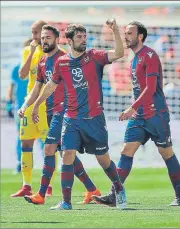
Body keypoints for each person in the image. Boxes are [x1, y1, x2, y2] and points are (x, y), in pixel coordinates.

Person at [31, 20, 126, 210]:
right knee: (67, 155)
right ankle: (66, 202)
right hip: (71, 118)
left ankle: (118, 188)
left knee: (103, 159)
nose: (84, 40)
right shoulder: (62, 62)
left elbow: (118, 53)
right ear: (69, 40)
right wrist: (36, 105)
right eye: (79, 37)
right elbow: (50, 85)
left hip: (94, 119)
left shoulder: (95, 56)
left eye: (85, 37)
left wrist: (115, 30)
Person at [93, 21, 180, 207]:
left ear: (140, 36)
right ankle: (114, 195)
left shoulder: (149, 55)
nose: (126, 35)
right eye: (125, 33)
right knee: (126, 151)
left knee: (166, 153)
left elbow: (151, 88)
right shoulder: (134, 58)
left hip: (156, 114)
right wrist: (115, 31)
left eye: (129, 33)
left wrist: (132, 108)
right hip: (140, 117)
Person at [17, 25, 101, 205]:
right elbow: (37, 88)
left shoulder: (64, 58)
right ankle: (92, 190)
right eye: (42, 38)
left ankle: (40, 194)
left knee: (49, 149)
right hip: (51, 110)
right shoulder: (41, 61)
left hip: (64, 110)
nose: (44, 40)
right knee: (65, 153)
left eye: (48, 37)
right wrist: (26, 105)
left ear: (56, 39)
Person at [10, 20, 55, 197]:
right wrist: (32, 52)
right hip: (29, 104)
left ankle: (48, 186)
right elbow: (22, 75)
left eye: (37, 32)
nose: (34, 36)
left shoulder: (55, 53)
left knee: (49, 146)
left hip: (48, 105)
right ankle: (26, 185)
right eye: (33, 32)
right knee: (26, 143)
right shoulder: (28, 51)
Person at [6, 38, 31, 174]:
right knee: (22, 136)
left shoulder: (39, 65)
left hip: (37, 107)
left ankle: (49, 162)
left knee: (43, 137)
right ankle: (20, 163)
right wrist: (9, 103)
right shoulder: (17, 67)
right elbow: (11, 86)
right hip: (20, 108)